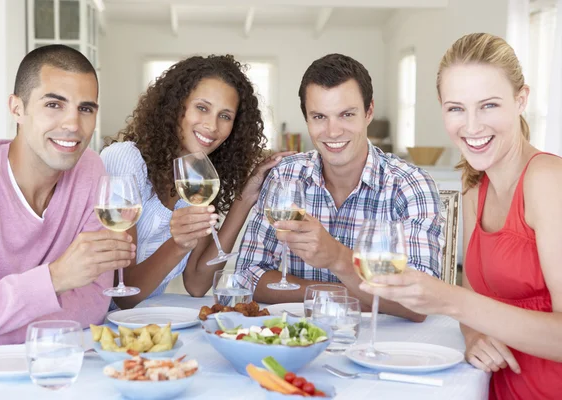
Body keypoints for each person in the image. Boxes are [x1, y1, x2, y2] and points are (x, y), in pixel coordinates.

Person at [358, 33, 562, 399]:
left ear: (521, 100)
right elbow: (474, 293)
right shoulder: (474, 183)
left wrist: (447, 300)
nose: (471, 126)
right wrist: (473, 334)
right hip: (492, 388)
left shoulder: (548, 181)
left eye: (488, 105)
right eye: (456, 108)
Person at [235, 53, 443, 322]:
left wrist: (337, 257)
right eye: (319, 116)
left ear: (368, 112)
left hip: (384, 345)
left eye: (346, 114)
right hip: (299, 342)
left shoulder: (410, 186)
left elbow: (420, 302)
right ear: (307, 119)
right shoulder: (286, 177)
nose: (332, 132)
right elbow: (248, 275)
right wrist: (336, 293)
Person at [0, 45, 135, 349]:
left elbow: (93, 302)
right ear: (17, 108)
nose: (73, 125)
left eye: (85, 108)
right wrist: (54, 279)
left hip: (51, 365)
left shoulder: (90, 169)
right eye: (54, 105)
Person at [101, 55, 293, 309]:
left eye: (225, 116)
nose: (212, 126)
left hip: (145, 323)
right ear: (176, 106)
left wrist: (244, 198)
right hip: (99, 325)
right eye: (202, 108)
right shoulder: (125, 160)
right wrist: (179, 244)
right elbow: (123, 295)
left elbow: (197, 283)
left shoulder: (200, 178)